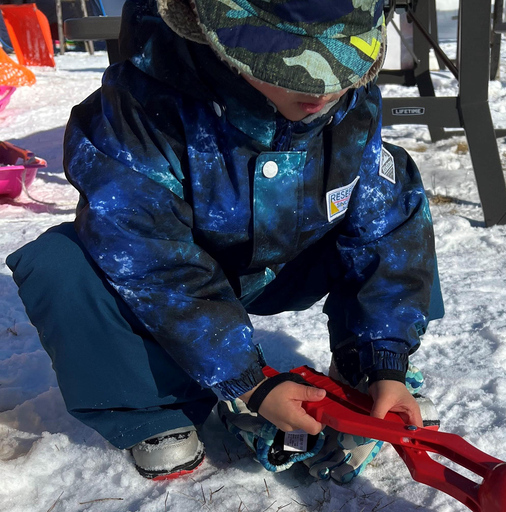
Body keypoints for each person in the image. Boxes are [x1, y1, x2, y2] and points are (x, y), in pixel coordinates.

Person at [6, 0, 443, 482]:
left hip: (291, 259)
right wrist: (249, 384)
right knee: (60, 263)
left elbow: (382, 235)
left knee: (393, 184)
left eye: (344, 61)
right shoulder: (138, 115)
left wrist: (387, 360)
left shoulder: (351, 108)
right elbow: (155, 266)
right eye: (288, 63)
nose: (323, 89)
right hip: (180, 278)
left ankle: (364, 369)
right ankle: (153, 405)